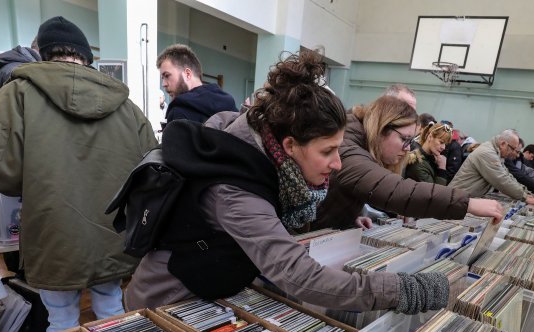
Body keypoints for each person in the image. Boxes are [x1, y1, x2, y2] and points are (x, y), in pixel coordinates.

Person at [125, 51, 449, 316]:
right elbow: (299, 276)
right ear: (291, 146)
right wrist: (404, 289)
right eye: (327, 151)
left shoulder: (262, 150)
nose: (337, 164)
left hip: (205, 296)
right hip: (164, 307)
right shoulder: (236, 191)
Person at [0, 16, 157, 332]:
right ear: (86, 56)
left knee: (60, 321)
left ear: (43, 53)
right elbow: (152, 168)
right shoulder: (126, 105)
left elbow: (3, 171)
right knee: (111, 311)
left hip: (53, 233)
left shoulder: (18, 93)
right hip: (112, 231)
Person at [310, 96, 504, 231]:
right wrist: (468, 203)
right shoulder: (348, 146)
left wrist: (349, 218)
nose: (409, 149)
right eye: (405, 139)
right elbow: (394, 189)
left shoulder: (361, 140)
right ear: (382, 128)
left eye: (412, 141)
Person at [450, 129, 534, 205]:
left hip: (464, 198)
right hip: (455, 200)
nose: (515, 154)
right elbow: (502, 180)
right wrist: (524, 197)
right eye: (513, 149)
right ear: (503, 144)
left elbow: (507, 175)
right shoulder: (488, 153)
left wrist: (525, 192)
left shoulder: (496, 153)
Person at [157, 44, 237, 124]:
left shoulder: (179, 112)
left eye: (167, 75)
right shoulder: (230, 106)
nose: (163, 84)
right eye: (162, 78)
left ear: (187, 74)